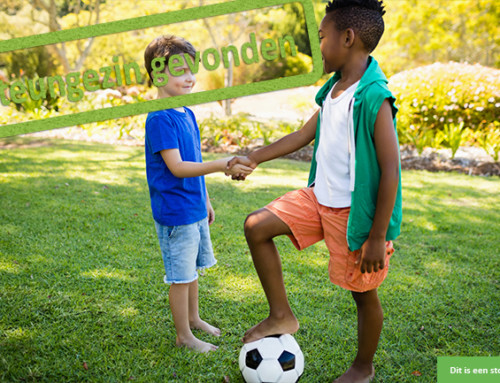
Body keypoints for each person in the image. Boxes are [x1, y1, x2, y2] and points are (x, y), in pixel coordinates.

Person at [227, 0, 402, 381]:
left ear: (348, 38)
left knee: (362, 294)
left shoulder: (374, 97)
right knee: (256, 225)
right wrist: (255, 157)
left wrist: (376, 238)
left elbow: (391, 171)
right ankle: (281, 315)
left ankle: (363, 366)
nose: (318, 45)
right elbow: (304, 135)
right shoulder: (334, 90)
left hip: (352, 214)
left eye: (322, 37)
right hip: (317, 198)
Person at [143, 35, 253, 353]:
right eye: (181, 71)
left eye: (192, 70)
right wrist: (221, 165)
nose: (190, 77)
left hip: (193, 206)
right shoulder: (160, 118)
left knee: (191, 270)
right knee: (180, 275)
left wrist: (205, 199)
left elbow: (191, 157)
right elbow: (177, 167)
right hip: (175, 211)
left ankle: (194, 318)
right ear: (159, 75)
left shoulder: (186, 112)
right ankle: (184, 337)